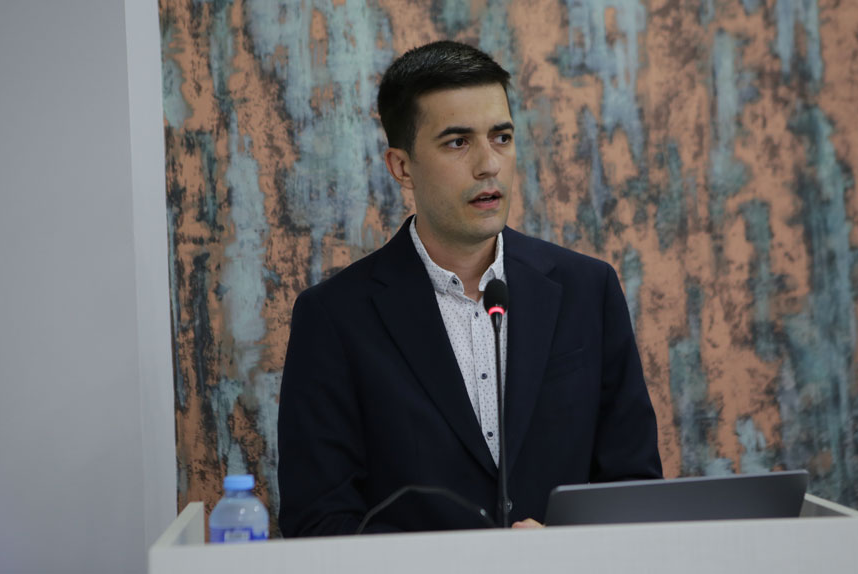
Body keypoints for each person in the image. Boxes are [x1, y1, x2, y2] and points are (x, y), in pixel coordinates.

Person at [277, 40, 662, 537]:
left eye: (501, 137)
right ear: (401, 166)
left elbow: (634, 490)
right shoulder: (334, 317)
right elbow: (318, 521)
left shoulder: (588, 290)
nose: (489, 164)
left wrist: (565, 551)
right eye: (458, 142)